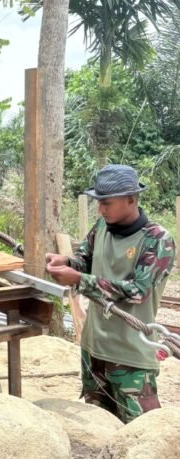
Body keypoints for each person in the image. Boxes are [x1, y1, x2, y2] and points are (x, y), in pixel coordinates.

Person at [45, 165, 175, 423]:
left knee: (140, 432)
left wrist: (79, 279)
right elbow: (84, 260)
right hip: (93, 349)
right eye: (98, 203)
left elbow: (138, 291)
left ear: (131, 199)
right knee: (99, 428)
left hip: (130, 358)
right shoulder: (101, 227)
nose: (101, 210)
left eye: (106, 203)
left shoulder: (157, 240)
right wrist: (67, 263)